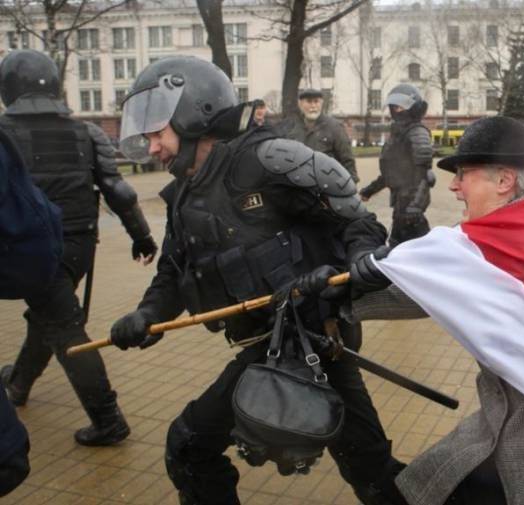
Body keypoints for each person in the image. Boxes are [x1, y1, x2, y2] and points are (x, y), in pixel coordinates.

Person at [109, 56, 405, 505]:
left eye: (157, 134)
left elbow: (357, 222)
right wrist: (147, 313)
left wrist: (361, 260)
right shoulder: (184, 191)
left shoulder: (269, 161)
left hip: (315, 340)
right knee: (368, 469)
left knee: (190, 445)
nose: (152, 149)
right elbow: (173, 268)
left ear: (193, 115)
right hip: (267, 346)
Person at [298, 117, 524, 504]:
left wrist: (335, 295)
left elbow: (435, 284)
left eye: (463, 174)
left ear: (504, 180)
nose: (454, 186)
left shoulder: (500, 249)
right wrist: (342, 291)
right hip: (506, 432)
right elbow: (430, 286)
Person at [0, 49, 158, 446]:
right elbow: (119, 191)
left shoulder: (3, 134)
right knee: (51, 316)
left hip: (26, 249)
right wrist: (141, 236)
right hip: (78, 246)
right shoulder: (85, 133)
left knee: (64, 327)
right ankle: (18, 382)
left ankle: (108, 420)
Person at [0, 125, 62, 497]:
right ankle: (107, 418)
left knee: (54, 327)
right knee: (63, 329)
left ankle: (19, 382)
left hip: (52, 254)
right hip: (66, 248)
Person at [359, 84, 435, 246]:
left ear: (414, 108)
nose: (397, 110)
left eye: (401, 107)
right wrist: (369, 190)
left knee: (417, 246)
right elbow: (391, 173)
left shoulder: (417, 133)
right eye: (394, 107)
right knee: (403, 245)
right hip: (401, 204)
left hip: (411, 207)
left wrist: (416, 206)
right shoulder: (398, 134)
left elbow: (425, 176)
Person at [278, 88, 359, 181]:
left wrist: (351, 183)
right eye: (309, 102)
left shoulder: (335, 127)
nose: (313, 106)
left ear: (321, 103)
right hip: (297, 184)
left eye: (316, 102)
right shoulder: (291, 128)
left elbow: (347, 160)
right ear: (300, 104)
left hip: (327, 183)